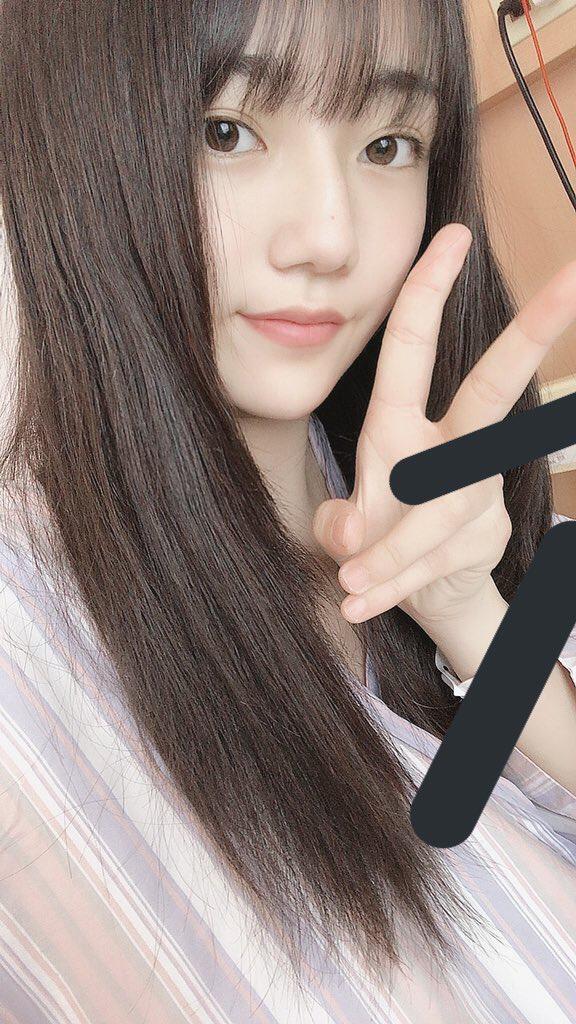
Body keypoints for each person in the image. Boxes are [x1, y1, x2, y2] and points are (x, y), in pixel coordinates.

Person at [0, 1, 575, 1021]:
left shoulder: (440, 498)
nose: (330, 238)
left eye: (387, 145)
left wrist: (469, 617)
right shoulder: (33, 641)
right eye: (227, 131)